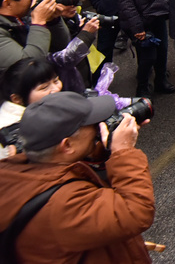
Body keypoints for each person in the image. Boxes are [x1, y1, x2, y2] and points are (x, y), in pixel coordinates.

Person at [0, 91, 154, 262]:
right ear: (66, 145)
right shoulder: (61, 204)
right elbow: (136, 211)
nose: (99, 126)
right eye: (91, 124)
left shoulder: (23, 169)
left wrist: (102, 151)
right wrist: (124, 151)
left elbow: (73, 172)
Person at [114, 0, 175, 98]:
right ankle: (142, 88)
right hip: (142, 24)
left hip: (158, 18)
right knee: (148, 57)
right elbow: (127, 6)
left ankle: (161, 81)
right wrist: (137, 28)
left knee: (162, 52)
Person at [0, 0, 70, 75]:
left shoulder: (22, 17)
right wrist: (39, 23)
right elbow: (29, 65)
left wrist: (52, 22)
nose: (34, 0)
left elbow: (62, 47)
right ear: (8, 4)